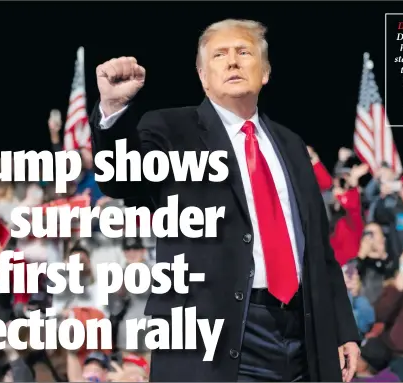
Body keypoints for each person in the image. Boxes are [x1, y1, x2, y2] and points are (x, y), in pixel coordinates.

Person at [90, 18, 360, 382]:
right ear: (202, 76)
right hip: (215, 333)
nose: (232, 61)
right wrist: (114, 111)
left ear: (264, 72)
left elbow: (318, 251)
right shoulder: (170, 130)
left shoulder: (292, 145)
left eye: (244, 52)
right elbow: (121, 179)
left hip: (302, 333)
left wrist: (343, 330)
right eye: (220, 55)